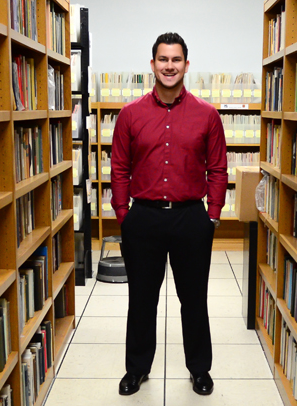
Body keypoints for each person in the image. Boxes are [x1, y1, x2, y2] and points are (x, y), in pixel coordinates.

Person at [111, 32, 228, 396]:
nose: (169, 66)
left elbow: (218, 169)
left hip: (190, 219)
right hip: (142, 219)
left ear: (186, 65)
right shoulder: (130, 115)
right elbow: (119, 168)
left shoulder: (207, 115)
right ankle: (137, 369)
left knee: (193, 299)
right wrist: (122, 214)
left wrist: (212, 215)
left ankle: (199, 369)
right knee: (142, 299)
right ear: (152, 65)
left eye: (176, 60)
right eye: (163, 60)